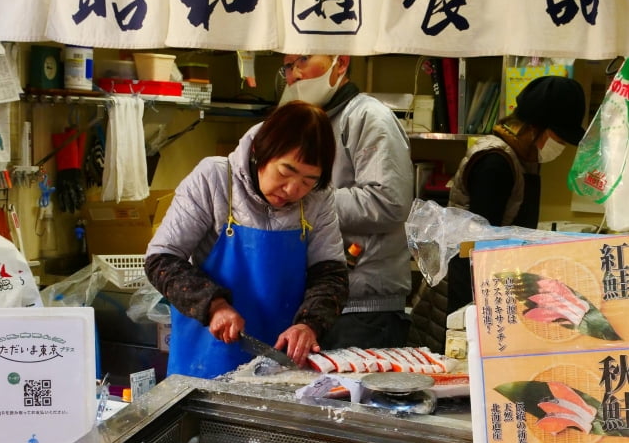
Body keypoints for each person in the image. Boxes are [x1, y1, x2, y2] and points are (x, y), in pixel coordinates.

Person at [145, 101, 349, 378]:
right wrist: (213, 305)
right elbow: (161, 259)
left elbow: (331, 275)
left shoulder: (318, 199)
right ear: (259, 151)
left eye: (308, 180)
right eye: (285, 172)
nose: (293, 189)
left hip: (281, 367)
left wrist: (309, 324)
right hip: (205, 361)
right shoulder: (213, 178)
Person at [410, 74, 587, 353]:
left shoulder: (522, 157)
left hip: (486, 285)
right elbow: (481, 247)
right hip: (462, 289)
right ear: (535, 127)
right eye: (558, 137)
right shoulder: (496, 162)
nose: (561, 146)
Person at [279, 54, 414, 349]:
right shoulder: (304, 119)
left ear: (341, 63)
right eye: (288, 66)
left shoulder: (368, 116)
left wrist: (303, 199)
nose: (295, 74)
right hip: (312, 306)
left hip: (363, 308)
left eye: (303, 59)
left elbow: (389, 201)